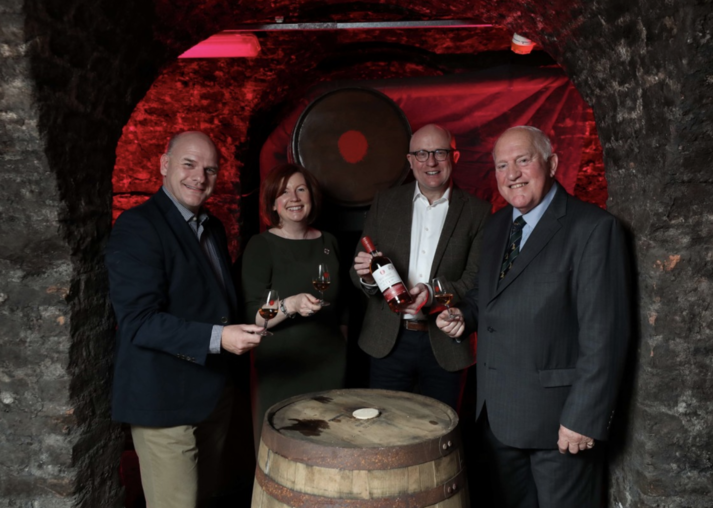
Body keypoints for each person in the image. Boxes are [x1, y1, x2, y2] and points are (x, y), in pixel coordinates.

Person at [438, 126, 631, 507]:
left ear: (552, 163)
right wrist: (465, 314)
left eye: (523, 161)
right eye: (502, 166)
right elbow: (486, 294)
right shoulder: (496, 226)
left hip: (559, 425)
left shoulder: (592, 228)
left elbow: (605, 334)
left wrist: (583, 418)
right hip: (498, 417)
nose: (512, 175)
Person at [105, 131, 264, 508]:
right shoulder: (138, 226)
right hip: (163, 400)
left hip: (211, 395)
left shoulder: (212, 227)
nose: (200, 177)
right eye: (188, 164)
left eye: (210, 169)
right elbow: (139, 321)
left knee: (203, 497)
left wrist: (280, 308)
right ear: (164, 165)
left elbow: (219, 306)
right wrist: (220, 338)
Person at [351, 124, 491, 409]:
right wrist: (366, 278)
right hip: (387, 342)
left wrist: (432, 292)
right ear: (410, 160)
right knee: (383, 430)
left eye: (439, 152)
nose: (430, 162)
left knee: (440, 434)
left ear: (455, 157)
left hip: (446, 344)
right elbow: (359, 271)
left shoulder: (478, 212)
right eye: (421, 153)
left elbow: (476, 279)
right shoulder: (385, 203)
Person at [241, 163, 347, 448]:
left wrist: (341, 348)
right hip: (283, 369)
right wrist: (289, 304)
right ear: (274, 203)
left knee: (331, 450)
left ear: (311, 197)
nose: (294, 198)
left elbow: (344, 306)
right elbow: (254, 317)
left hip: (330, 366)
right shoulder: (260, 246)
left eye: (301, 189)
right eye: (284, 192)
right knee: (284, 453)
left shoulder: (329, 242)